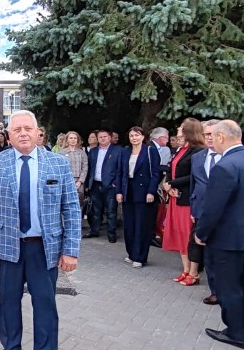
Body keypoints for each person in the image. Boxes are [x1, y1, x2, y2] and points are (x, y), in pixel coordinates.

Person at [0, 110, 81, 350]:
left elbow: (71, 208)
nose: (22, 133)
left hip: (44, 249)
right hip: (7, 249)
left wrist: (71, 250)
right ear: (8, 136)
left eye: (27, 129)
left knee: (45, 305)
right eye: (16, 129)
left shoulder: (57, 163)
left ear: (37, 133)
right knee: (8, 303)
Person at [195, 120, 244, 349]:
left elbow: (213, 208)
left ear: (222, 137)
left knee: (229, 287)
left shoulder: (224, 166)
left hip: (228, 240)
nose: (211, 140)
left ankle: (236, 332)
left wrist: (201, 233)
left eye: (213, 136)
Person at [162, 118, 205, 286]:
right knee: (179, 234)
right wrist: (167, 184)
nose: (178, 128)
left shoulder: (198, 150)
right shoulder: (180, 149)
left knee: (188, 234)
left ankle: (194, 272)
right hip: (175, 197)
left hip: (187, 198)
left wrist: (172, 184)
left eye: (181, 127)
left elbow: (194, 175)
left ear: (189, 131)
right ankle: (185, 269)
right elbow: (170, 168)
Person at [116, 127, 160, 268]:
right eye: (131, 136)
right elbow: (120, 173)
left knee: (141, 225)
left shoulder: (150, 151)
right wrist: (119, 191)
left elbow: (155, 174)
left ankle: (140, 257)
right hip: (128, 189)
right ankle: (131, 254)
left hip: (143, 191)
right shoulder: (125, 151)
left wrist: (151, 192)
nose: (134, 138)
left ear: (143, 136)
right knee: (129, 225)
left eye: (137, 135)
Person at [189, 120, 221, 305]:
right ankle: (215, 291)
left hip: (226, 214)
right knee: (208, 253)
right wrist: (193, 208)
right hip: (202, 211)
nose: (209, 138)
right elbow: (194, 184)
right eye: (206, 134)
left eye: (212, 134)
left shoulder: (231, 157)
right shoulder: (198, 157)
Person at [84, 129, 122, 242]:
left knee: (111, 211)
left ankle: (111, 234)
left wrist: (116, 183)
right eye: (100, 137)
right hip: (95, 184)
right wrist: (87, 184)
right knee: (95, 210)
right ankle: (94, 231)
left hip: (110, 185)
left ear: (110, 137)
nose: (102, 139)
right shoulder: (93, 151)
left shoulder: (118, 150)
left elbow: (120, 168)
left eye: (105, 136)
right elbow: (89, 168)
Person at [59, 131, 88, 205]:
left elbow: (85, 167)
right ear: (67, 140)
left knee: (78, 204)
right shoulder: (61, 153)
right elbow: (59, 168)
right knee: (66, 203)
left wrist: (80, 181)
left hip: (79, 182)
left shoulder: (82, 153)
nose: (73, 140)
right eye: (71, 138)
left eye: (75, 138)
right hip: (65, 182)